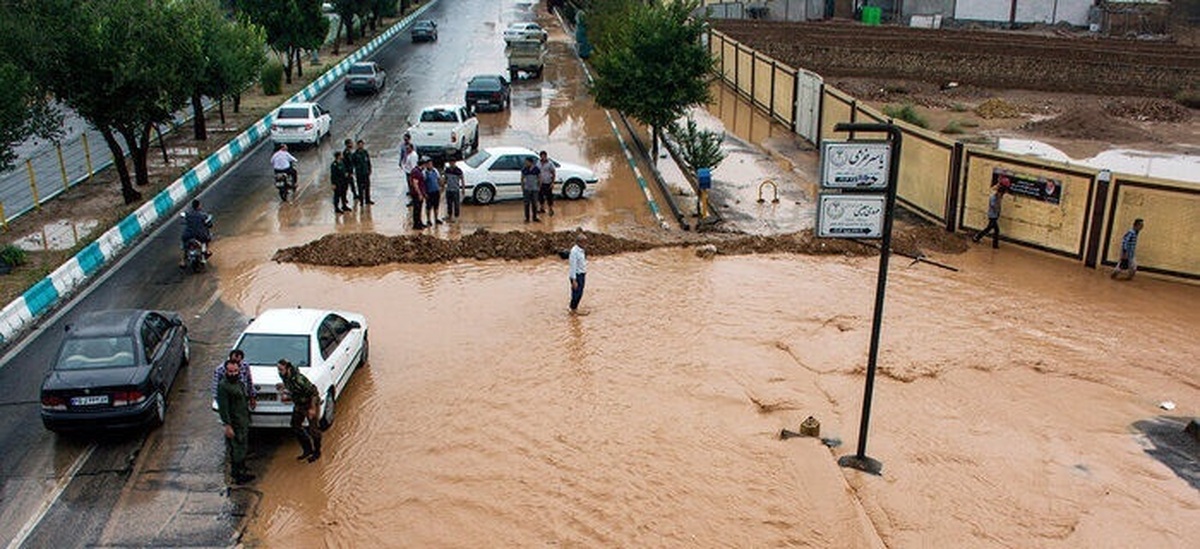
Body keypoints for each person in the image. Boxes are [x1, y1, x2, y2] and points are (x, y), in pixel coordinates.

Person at [216, 359, 254, 484]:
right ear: (226, 371)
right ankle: (237, 475)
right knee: (237, 448)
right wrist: (227, 425)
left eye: (235, 371)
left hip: (242, 420)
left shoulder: (239, 383)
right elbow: (223, 408)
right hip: (234, 422)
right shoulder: (223, 386)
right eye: (230, 371)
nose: (233, 373)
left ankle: (242, 469)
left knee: (243, 446)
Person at [277, 359, 323, 463]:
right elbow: (293, 389)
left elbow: (314, 393)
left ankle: (317, 452)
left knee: (314, 430)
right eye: (278, 369)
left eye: (281, 369)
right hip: (299, 404)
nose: (279, 371)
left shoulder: (299, 379)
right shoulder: (284, 376)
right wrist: (285, 389)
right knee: (295, 425)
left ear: (288, 368)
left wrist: (312, 409)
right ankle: (307, 450)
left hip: (310, 403)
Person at [972, 183, 1006, 249]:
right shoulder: (993, 198)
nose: (1001, 195)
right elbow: (993, 206)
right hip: (992, 216)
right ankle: (994, 245)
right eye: (1001, 193)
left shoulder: (998, 198)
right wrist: (998, 202)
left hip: (995, 216)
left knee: (988, 229)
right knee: (996, 230)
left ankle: (977, 237)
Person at [180, 199, 213, 267]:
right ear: (198, 206)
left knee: (184, 245)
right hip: (200, 235)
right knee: (207, 238)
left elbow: (182, 217)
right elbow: (209, 224)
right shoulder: (203, 215)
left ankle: (182, 261)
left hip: (188, 234)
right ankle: (207, 251)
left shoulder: (188, 214)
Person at [568, 230, 587, 314]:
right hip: (576, 275)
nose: (585, 244)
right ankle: (573, 309)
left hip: (581, 274)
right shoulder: (574, 252)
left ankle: (574, 308)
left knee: (580, 292)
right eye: (584, 242)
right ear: (579, 242)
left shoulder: (581, 250)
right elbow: (573, 266)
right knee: (577, 293)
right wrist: (574, 280)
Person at [353, 139, 374, 205]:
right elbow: (353, 164)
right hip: (359, 173)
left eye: (362, 144)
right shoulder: (355, 154)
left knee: (367, 186)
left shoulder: (365, 152)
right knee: (360, 187)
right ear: (357, 145)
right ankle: (361, 201)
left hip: (366, 172)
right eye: (359, 145)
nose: (361, 146)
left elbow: (368, 162)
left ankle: (367, 200)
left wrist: (370, 169)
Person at [536, 150, 557, 217]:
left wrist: (552, 182)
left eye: (544, 156)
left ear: (546, 156)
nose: (543, 157)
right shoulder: (538, 163)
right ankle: (542, 208)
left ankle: (550, 209)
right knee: (540, 196)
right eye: (541, 156)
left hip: (548, 182)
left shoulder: (550, 164)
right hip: (540, 183)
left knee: (549, 197)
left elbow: (553, 173)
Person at [521, 157, 541, 222]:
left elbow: (539, 178)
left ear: (530, 162)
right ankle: (527, 218)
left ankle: (534, 217)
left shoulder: (536, 169)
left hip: (535, 189)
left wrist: (539, 187)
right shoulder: (524, 169)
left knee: (534, 203)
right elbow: (522, 179)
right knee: (526, 204)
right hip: (527, 189)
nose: (525, 163)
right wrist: (523, 187)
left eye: (526, 162)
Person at [423, 157, 442, 226]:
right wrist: (424, 193)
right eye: (428, 164)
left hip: (436, 191)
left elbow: (439, 179)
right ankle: (428, 220)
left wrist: (440, 188)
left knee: (436, 206)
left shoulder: (435, 171)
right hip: (429, 192)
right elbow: (423, 184)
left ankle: (436, 219)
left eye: (431, 164)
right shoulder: (424, 173)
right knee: (428, 207)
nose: (430, 165)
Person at [408, 161, 427, 230]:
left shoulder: (416, 170)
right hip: (417, 194)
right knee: (417, 209)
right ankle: (416, 225)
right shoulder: (417, 172)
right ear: (423, 165)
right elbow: (415, 184)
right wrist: (419, 194)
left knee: (419, 209)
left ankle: (419, 223)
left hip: (417, 193)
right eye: (425, 165)